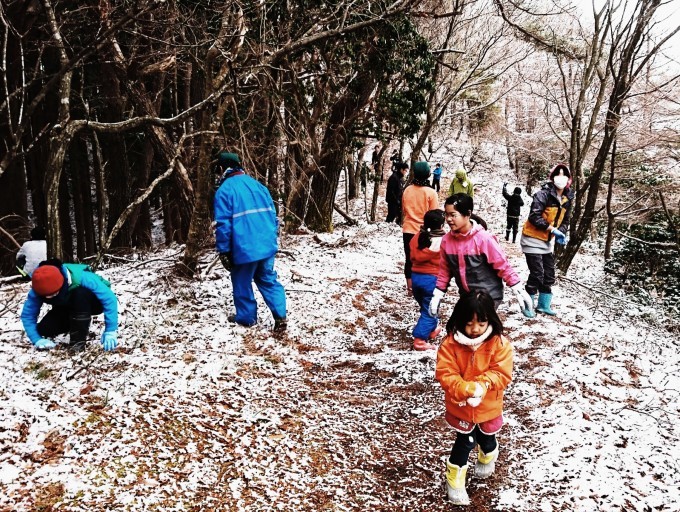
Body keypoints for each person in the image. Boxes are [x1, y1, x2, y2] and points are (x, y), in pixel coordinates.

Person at [435, 290, 513, 505]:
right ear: (459, 320)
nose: (474, 329)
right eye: (469, 323)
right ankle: (455, 481)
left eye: (481, 323)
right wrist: (465, 388)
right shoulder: (450, 344)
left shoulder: (499, 344)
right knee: (465, 442)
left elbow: (502, 373)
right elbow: (445, 373)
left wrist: (483, 384)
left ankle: (488, 455)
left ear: (490, 320)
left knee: (487, 438)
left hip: (488, 406)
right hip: (460, 406)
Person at [214, 151, 287, 331]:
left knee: (241, 282)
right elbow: (273, 216)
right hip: (266, 245)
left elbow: (223, 225)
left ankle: (246, 319)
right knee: (268, 279)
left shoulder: (224, 191)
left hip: (244, 248)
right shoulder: (259, 186)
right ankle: (280, 316)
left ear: (222, 168)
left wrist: (223, 250)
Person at [429, 193, 535, 318]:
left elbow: (502, 265)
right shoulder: (447, 241)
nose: (448, 219)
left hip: (488, 296)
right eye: (446, 214)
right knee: (466, 328)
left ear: (468, 214)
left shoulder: (484, 239)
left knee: (477, 327)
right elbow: (445, 270)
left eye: (453, 215)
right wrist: (438, 293)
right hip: (467, 295)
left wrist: (517, 287)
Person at [20, 260, 118, 352]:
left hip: (94, 302)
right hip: (67, 306)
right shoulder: (39, 287)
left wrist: (110, 330)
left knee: (80, 293)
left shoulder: (83, 277)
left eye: (54, 294)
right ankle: (74, 322)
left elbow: (109, 299)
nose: (50, 298)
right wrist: (36, 339)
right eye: (47, 297)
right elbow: (28, 315)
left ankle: (78, 343)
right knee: (44, 329)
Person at [520, 163, 574, 316]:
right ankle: (527, 305)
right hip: (531, 238)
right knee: (537, 273)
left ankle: (543, 305)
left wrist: (561, 233)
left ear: (569, 179)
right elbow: (534, 216)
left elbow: (565, 221)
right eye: (558, 174)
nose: (561, 177)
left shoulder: (567, 198)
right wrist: (553, 230)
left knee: (549, 273)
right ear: (552, 177)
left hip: (546, 241)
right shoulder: (542, 194)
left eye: (564, 174)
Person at [409, 209, 445, 351]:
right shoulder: (441, 240)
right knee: (430, 310)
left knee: (426, 307)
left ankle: (430, 329)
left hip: (416, 277)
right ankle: (420, 340)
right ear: (441, 225)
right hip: (432, 280)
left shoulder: (417, 237)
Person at [401, 162, 439, 296]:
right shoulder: (431, 192)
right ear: (428, 174)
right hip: (424, 231)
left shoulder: (407, 190)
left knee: (409, 258)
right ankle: (423, 285)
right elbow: (434, 214)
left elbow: (404, 209)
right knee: (424, 259)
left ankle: (410, 287)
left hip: (408, 229)